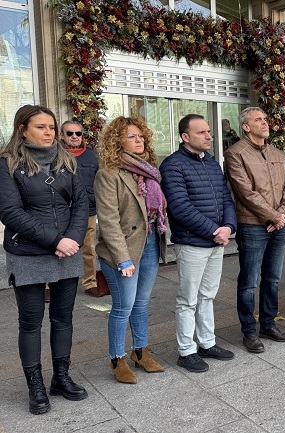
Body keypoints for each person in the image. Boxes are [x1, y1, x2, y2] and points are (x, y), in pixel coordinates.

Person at [0, 105, 89, 414]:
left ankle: (61, 377)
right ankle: (35, 386)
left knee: (63, 317)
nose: (49, 132)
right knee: (31, 322)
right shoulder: (8, 164)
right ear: (22, 129)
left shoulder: (66, 161)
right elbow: (10, 212)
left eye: (51, 126)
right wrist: (56, 240)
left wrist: (73, 239)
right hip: (28, 252)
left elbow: (81, 203)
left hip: (67, 249)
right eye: (41, 126)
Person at [159, 114, 237, 373]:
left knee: (208, 296)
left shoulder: (213, 163)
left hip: (216, 242)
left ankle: (207, 342)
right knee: (188, 299)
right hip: (193, 243)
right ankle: (186, 350)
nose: (209, 136)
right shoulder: (172, 166)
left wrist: (228, 227)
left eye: (208, 132)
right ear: (185, 137)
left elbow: (226, 198)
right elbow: (180, 208)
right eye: (202, 132)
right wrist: (215, 230)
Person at [95, 116, 166, 384]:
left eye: (141, 136)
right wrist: (123, 259)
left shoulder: (148, 170)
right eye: (132, 137)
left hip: (148, 244)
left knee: (142, 303)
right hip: (120, 250)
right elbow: (109, 220)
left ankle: (141, 351)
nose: (139, 141)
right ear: (117, 141)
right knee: (123, 306)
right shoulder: (108, 174)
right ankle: (117, 358)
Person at [225, 107, 285, 353]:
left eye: (265, 119)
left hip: (278, 224)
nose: (264, 123)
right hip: (253, 225)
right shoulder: (235, 154)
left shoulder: (277, 152)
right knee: (249, 282)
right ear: (245, 126)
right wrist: (274, 216)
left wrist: (281, 215)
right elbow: (245, 193)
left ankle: (268, 323)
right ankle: (249, 331)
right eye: (258, 120)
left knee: (273, 279)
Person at [61, 120, 99, 294]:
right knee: (55, 247)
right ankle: (49, 283)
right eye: (70, 133)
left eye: (78, 133)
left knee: (88, 248)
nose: (74, 137)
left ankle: (90, 282)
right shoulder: (55, 154)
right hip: (61, 210)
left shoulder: (92, 156)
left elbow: (100, 181)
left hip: (87, 211)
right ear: (62, 135)